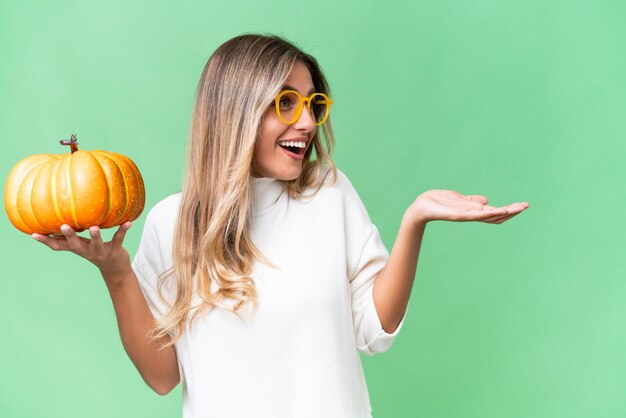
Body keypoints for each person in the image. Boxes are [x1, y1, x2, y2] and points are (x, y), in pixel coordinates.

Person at [32, 34, 529, 417]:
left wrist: (414, 220)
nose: (308, 123)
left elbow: (375, 331)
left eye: (312, 104)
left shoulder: (329, 194)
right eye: (285, 102)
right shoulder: (173, 222)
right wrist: (117, 272)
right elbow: (163, 377)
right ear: (235, 112)